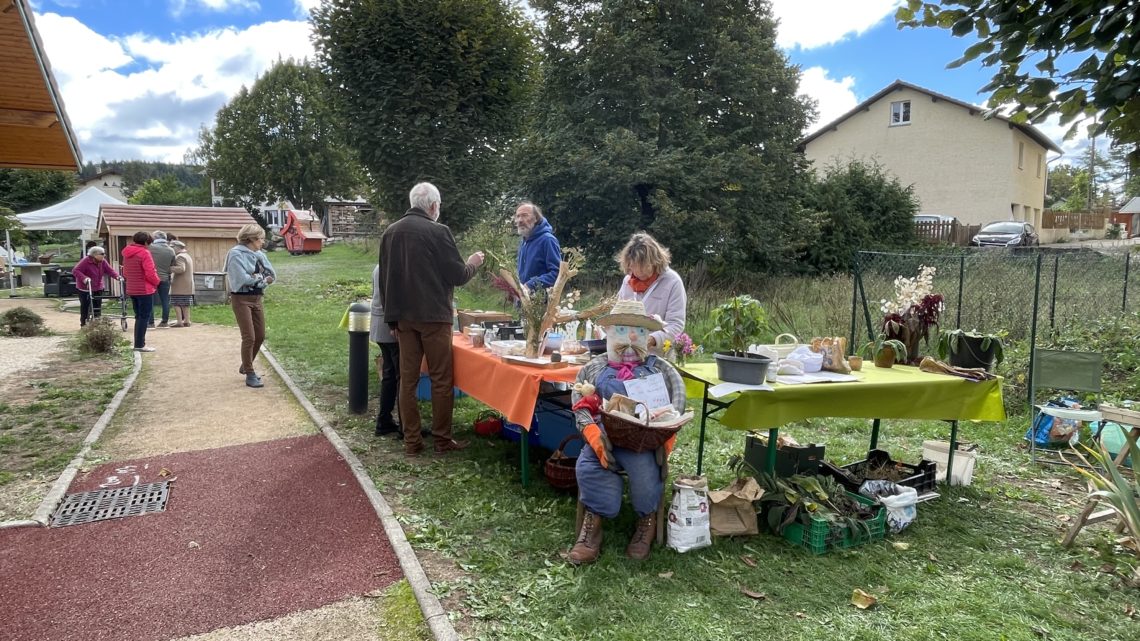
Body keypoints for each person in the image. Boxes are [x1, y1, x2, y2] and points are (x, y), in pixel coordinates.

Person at [567, 299, 687, 564]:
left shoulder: (659, 369)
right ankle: (594, 521)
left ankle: (646, 519)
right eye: (622, 330)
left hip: (643, 441)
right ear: (608, 334)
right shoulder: (593, 369)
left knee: (646, 472)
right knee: (589, 465)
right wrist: (594, 437)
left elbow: (677, 402)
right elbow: (579, 404)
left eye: (639, 331)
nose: (631, 337)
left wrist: (665, 436)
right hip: (605, 437)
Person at [378, 182, 484, 458]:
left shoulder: (390, 232)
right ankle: (442, 439)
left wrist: (392, 321)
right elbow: (458, 275)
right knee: (440, 378)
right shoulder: (439, 231)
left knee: (407, 380)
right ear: (434, 206)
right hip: (434, 316)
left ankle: (412, 442)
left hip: (402, 318)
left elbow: (385, 279)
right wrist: (473, 262)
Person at [615, 232, 687, 357]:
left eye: (643, 267)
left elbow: (676, 324)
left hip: (658, 357)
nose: (638, 272)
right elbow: (618, 315)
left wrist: (653, 339)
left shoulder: (673, 281)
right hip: (627, 354)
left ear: (655, 261)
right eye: (633, 267)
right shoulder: (627, 281)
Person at [225, 224, 276, 388]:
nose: (263, 242)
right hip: (241, 299)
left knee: (260, 336)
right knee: (249, 337)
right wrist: (261, 279)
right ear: (252, 239)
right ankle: (249, 372)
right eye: (261, 238)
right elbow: (241, 279)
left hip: (256, 298)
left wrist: (257, 277)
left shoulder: (259, 254)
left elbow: (272, 275)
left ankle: (246, 364)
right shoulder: (235, 254)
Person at [371, 264, 401, 437]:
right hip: (390, 328)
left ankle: (384, 420)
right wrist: (394, 323)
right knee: (400, 378)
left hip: (380, 325)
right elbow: (391, 297)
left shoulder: (380, 265)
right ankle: (406, 425)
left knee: (390, 377)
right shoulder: (391, 266)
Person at [121, 232, 161, 352]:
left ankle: (138, 343)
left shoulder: (127, 253)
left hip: (132, 288)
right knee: (144, 317)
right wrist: (157, 282)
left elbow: (125, 272)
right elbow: (150, 272)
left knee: (138, 316)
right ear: (145, 242)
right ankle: (140, 344)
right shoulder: (144, 253)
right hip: (144, 289)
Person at [514, 201, 561, 292]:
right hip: (523, 301)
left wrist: (531, 285)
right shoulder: (524, 241)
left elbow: (557, 273)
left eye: (524, 215)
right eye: (518, 216)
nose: (520, 220)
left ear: (536, 218)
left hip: (541, 302)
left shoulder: (548, 240)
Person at [72, 246, 121, 327]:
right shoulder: (86, 261)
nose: (104, 255)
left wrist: (117, 276)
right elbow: (75, 270)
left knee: (97, 306)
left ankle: (97, 323)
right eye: (102, 254)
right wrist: (84, 278)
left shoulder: (103, 261)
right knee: (85, 306)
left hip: (98, 286)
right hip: (85, 288)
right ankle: (83, 324)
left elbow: (110, 270)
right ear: (94, 255)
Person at [148, 230, 176, 328]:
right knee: (165, 300)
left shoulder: (150, 248)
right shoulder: (171, 250)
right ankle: (164, 321)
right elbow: (173, 264)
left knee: (150, 300)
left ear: (155, 238)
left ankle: (150, 322)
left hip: (151, 278)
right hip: (165, 278)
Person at [169, 240, 195, 327]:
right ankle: (187, 321)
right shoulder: (187, 256)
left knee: (176, 303)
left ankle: (179, 321)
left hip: (179, 285)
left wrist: (169, 268)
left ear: (176, 248)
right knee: (185, 304)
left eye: (172, 247)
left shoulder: (179, 257)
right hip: (187, 285)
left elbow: (181, 268)